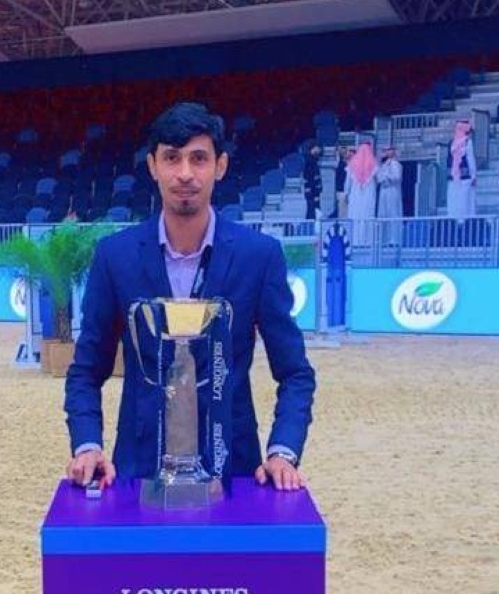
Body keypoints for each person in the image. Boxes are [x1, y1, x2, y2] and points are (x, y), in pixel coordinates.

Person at [64, 101, 315, 492]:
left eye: (198, 158)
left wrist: (282, 451)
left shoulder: (259, 256)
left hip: (234, 471)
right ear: (153, 166)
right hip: (138, 470)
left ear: (220, 166)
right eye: (172, 158)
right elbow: (86, 369)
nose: (184, 173)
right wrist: (87, 446)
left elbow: (295, 372)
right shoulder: (114, 257)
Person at [343, 141, 377, 243]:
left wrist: (346, 194)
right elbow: (379, 180)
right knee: (367, 216)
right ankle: (367, 240)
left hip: (355, 196)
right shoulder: (374, 165)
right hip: (368, 195)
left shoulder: (352, 165)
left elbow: (347, 183)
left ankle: (355, 240)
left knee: (355, 216)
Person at [446, 119, 476, 220]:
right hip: (465, 177)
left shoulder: (452, 143)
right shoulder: (467, 142)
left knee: (454, 203)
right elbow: (470, 160)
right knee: (465, 204)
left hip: (453, 178)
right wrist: (474, 176)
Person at [375, 146, 403, 244]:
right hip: (384, 191)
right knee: (383, 213)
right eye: (386, 150)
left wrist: (387, 176)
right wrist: (382, 177)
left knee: (393, 212)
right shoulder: (383, 165)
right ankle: (384, 239)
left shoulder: (396, 164)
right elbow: (378, 177)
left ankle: (394, 239)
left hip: (392, 190)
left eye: (389, 150)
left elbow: (397, 177)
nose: (387, 152)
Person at [302, 143, 322, 220]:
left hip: (315, 189)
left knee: (315, 208)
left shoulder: (315, 160)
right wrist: (311, 189)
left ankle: (315, 223)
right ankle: (310, 224)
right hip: (311, 190)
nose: (319, 150)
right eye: (317, 148)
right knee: (311, 208)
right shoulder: (309, 161)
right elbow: (308, 176)